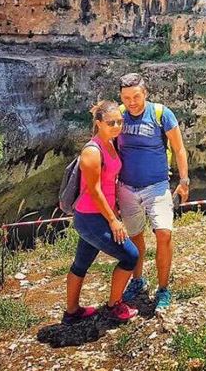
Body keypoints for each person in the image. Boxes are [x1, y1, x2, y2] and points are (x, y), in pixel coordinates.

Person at [118, 73, 190, 312]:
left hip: (157, 186)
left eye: (136, 96)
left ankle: (163, 289)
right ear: (121, 97)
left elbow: (179, 149)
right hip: (127, 188)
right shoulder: (118, 116)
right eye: (127, 97)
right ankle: (137, 281)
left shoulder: (161, 114)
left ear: (145, 94)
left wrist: (184, 180)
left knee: (163, 234)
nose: (132, 102)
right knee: (135, 236)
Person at [64, 100, 140, 325]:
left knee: (81, 264)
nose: (117, 126)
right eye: (110, 123)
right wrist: (114, 220)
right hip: (90, 217)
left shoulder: (110, 143)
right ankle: (114, 305)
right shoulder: (92, 151)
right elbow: (95, 191)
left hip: (99, 215)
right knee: (130, 256)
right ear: (98, 123)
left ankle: (71, 313)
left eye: (119, 121)